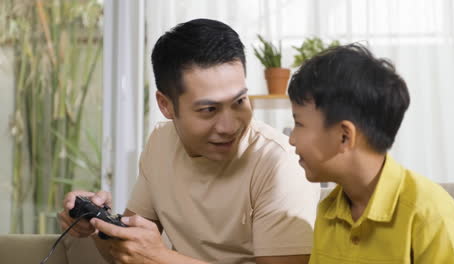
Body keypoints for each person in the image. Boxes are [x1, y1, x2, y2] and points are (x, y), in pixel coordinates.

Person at [59, 18, 321, 264]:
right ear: (166, 105)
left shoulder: (281, 163)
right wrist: (96, 224)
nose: (229, 126)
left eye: (239, 101)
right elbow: (129, 254)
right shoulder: (161, 143)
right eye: (209, 110)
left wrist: (162, 258)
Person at [287, 43, 454, 263]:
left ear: (344, 136)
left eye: (299, 124)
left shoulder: (429, 214)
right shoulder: (328, 212)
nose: (292, 139)